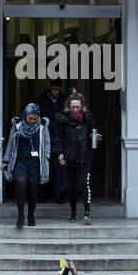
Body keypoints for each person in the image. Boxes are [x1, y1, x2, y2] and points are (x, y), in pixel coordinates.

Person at [2, 103, 51, 228]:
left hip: (35, 162)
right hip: (20, 160)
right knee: (20, 183)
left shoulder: (42, 126)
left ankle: (31, 215)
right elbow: (11, 143)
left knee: (33, 188)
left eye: (35, 119)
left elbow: (46, 143)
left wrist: (46, 158)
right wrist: (6, 160)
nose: (32, 122)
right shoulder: (17, 126)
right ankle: (20, 215)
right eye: (30, 119)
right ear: (25, 116)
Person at [52, 91, 97, 223]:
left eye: (78, 107)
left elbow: (92, 132)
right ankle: (73, 212)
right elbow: (58, 139)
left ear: (82, 106)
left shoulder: (88, 117)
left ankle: (87, 213)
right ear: (68, 106)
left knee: (85, 183)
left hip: (85, 156)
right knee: (71, 186)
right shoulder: (62, 119)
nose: (76, 109)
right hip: (69, 156)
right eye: (73, 107)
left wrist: (94, 137)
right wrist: (59, 153)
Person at [36, 78, 66, 201]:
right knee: (44, 166)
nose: (56, 92)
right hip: (45, 137)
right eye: (54, 89)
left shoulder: (64, 100)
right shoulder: (41, 100)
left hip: (59, 137)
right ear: (50, 87)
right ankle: (42, 195)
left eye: (58, 90)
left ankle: (59, 195)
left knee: (59, 168)